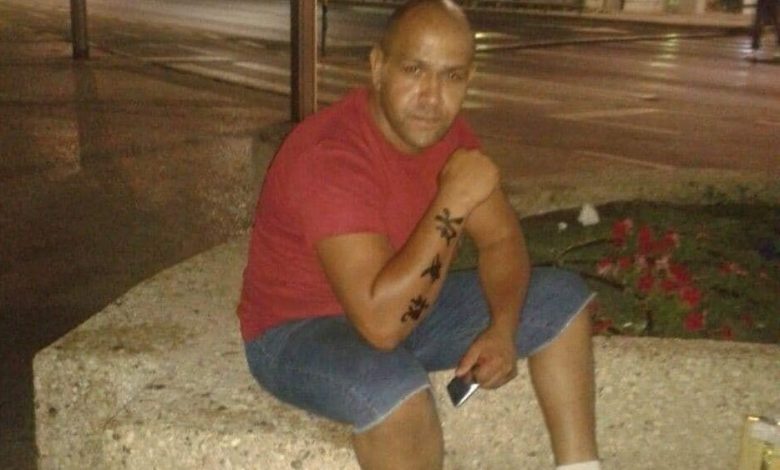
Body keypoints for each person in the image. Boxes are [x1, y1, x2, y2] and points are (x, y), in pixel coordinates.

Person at [238, 1, 601, 468]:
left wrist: (501, 330)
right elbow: (382, 326)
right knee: (395, 391)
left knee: (561, 299)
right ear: (378, 67)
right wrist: (451, 202)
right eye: (414, 70)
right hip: (299, 332)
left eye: (452, 76)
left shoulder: (450, 138)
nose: (432, 98)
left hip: (403, 304)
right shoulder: (331, 156)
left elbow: (501, 241)